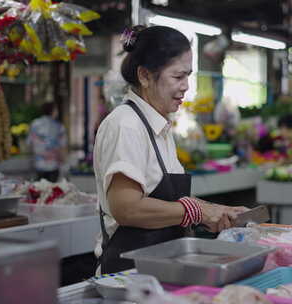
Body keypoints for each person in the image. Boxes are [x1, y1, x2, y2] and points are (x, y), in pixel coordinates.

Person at [93, 25, 248, 274]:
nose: (186, 86)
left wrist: (215, 212)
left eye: (188, 76)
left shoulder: (160, 127)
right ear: (144, 76)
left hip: (160, 267)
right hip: (128, 274)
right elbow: (127, 208)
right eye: (178, 77)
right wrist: (197, 211)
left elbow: (167, 202)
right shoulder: (126, 125)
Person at [27, 102, 67, 182]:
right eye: (56, 110)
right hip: (54, 165)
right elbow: (62, 147)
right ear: (53, 111)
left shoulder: (34, 124)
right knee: (52, 191)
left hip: (38, 164)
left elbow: (29, 144)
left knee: (38, 190)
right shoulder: (59, 127)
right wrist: (63, 161)